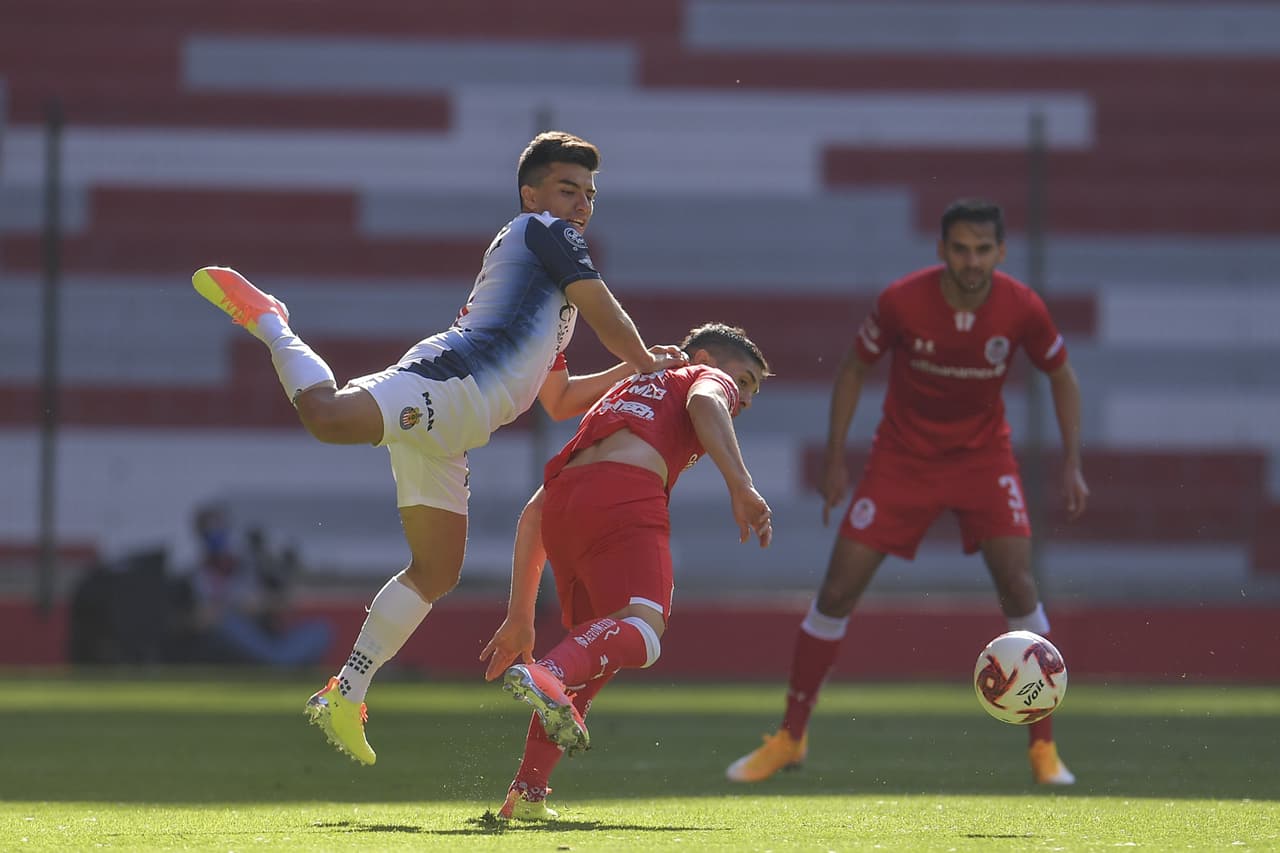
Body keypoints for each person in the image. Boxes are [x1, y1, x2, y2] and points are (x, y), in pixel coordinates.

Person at [191, 131, 687, 765]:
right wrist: (644, 360)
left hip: (455, 428)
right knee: (327, 416)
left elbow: (558, 401)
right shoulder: (547, 234)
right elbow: (603, 307)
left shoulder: (548, 287)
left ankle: (346, 693)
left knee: (436, 571)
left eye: (590, 194)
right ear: (531, 193)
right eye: (569, 189)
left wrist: (630, 372)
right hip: (447, 386)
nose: (581, 204)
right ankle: (270, 320)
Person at [725, 199, 1089, 787]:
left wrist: (1072, 461)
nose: (972, 260)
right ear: (942, 250)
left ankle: (1043, 749)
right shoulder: (903, 300)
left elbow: (1062, 374)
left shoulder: (1022, 307)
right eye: (961, 248)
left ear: (1000, 252)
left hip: (982, 459)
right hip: (902, 459)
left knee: (1019, 585)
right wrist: (837, 455)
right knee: (838, 588)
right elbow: (852, 368)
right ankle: (791, 736)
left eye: (983, 249)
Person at [479, 323, 773, 820]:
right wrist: (741, 485)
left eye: (751, 391)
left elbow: (535, 511)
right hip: (625, 496)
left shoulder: (625, 393)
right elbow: (707, 402)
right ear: (703, 356)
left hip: (564, 506)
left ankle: (527, 795)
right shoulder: (702, 376)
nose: (743, 397)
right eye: (743, 381)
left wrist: (520, 616)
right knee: (643, 630)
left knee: (597, 653)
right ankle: (547, 673)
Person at [186, 504, 332, 666]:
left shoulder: (251, 562)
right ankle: (279, 662)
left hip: (263, 634)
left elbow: (286, 600)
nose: (216, 536)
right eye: (209, 530)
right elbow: (193, 621)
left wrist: (262, 603)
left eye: (219, 528)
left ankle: (281, 661)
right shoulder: (195, 575)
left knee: (320, 630)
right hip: (230, 638)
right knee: (228, 623)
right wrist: (227, 610)